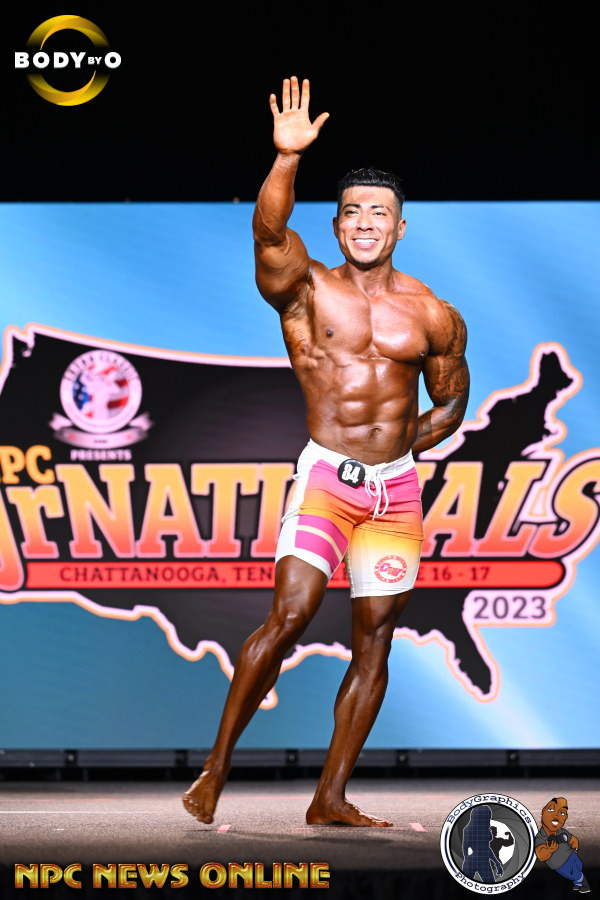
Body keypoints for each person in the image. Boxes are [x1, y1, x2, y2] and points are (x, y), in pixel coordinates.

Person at [183, 75, 469, 827]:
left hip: (395, 491)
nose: (366, 223)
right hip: (326, 481)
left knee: (376, 640)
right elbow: (268, 233)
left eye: (380, 213)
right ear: (338, 226)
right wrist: (287, 158)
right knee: (291, 615)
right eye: (353, 212)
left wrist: (403, 446)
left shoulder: (434, 313)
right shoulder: (306, 289)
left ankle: (330, 797)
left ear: (400, 227)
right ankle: (215, 769)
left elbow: (450, 403)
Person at [535, 797, 590, 893]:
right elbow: (541, 855)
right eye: (551, 809)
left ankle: (578, 883)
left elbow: (573, 840)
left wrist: (575, 851)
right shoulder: (541, 837)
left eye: (562, 813)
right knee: (573, 875)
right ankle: (582, 881)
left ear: (566, 817)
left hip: (571, 855)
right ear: (543, 811)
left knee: (577, 868)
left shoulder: (561, 831)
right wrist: (549, 850)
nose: (556, 815)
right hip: (558, 864)